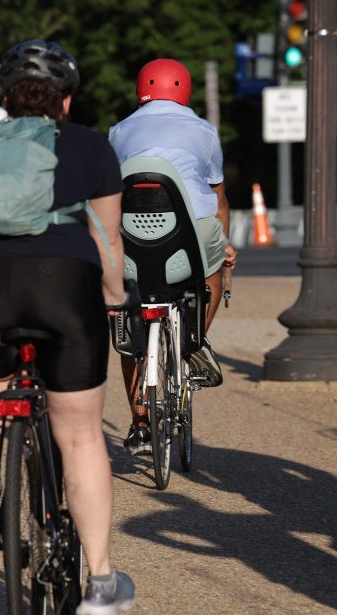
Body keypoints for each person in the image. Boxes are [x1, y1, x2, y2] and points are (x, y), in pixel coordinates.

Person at [0, 40, 135, 615]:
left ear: (3, 97)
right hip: (59, 282)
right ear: (67, 98)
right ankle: (101, 581)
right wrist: (114, 299)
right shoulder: (90, 145)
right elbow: (108, 241)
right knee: (79, 434)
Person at [108, 58, 237, 456]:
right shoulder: (204, 131)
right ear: (184, 89)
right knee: (214, 269)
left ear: (140, 89)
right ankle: (194, 345)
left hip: (131, 246)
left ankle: (140, 424)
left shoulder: (117, 131)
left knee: (131, 325)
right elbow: (218, 198)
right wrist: (226, 245)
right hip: (187, 245)